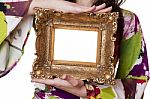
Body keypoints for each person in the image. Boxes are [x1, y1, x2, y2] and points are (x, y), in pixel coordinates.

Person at [0, 0, 149, 99]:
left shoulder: (126, 19)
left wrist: (88, 91)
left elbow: (138, 81)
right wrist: (46, 3)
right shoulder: (43, 12)